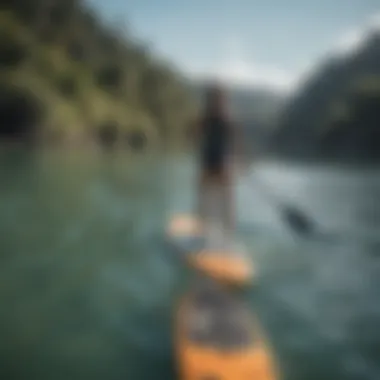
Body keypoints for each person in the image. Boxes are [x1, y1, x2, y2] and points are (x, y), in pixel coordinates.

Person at [193, 82, 242, 239]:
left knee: (220, 204)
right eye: (217, 98)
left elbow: (235, 144)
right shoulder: (220, 119)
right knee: (210, 203)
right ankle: (210, 233)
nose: (217, 102)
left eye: (218, 99)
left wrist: (237, 161)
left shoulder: (221, 120)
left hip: (219, 167)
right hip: (211, 166)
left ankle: (222, 235)